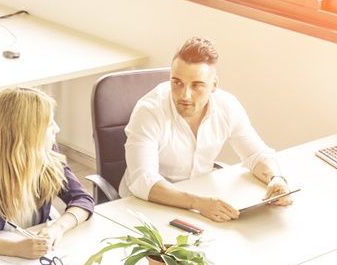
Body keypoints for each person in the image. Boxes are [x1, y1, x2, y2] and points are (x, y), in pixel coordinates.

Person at [120, 37, 293, 222]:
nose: (184, 95)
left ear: (214, 85)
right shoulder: (149, 110)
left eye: (197, 85)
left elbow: (257, 155)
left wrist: (276, 179)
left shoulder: (227, 106)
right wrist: (198, 203)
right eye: (177, 82)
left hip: (201, 203)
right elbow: (143, 181)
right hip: (146, 206)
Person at [0, 87, 95, 258]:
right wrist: (14, 249)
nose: (57, 129)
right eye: (50, 123)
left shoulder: (47, 153)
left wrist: (58, 227)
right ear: (26, 132)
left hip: (35, 256)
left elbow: (83, 199)